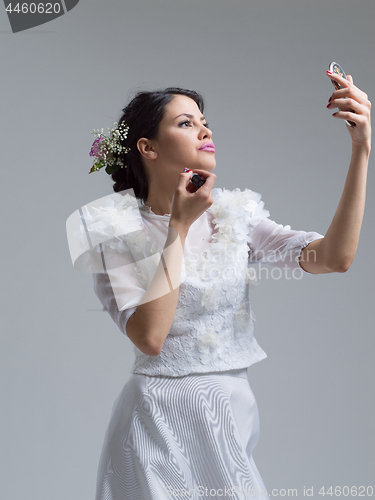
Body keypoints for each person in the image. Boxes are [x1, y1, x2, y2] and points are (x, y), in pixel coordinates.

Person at [70, 74, 371, 499]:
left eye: (204, 121)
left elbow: (334, 258)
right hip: (155, 420)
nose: (205, 130)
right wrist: (178, 225)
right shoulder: (109, 227)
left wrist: (361, 151)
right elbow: (149, 337)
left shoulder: (235, 214)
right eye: (186, 123)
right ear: (147, 147)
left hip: (229, 414)